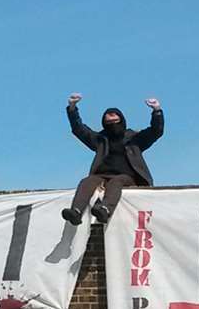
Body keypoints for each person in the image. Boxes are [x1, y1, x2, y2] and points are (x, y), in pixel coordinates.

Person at [63, 94, 162, 225]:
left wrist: (157, 111)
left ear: (122, 121)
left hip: (127, 176)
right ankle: (76, 212)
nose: (113, 125)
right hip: (102, 175)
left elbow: (156, 131)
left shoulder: (134, 139)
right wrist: (72, 108)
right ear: (104, 123)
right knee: (87, 181)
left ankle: (105, 210)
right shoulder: (100, 140)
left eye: (115, 122)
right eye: (109, 123)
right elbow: (79, 129)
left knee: (116, 181)